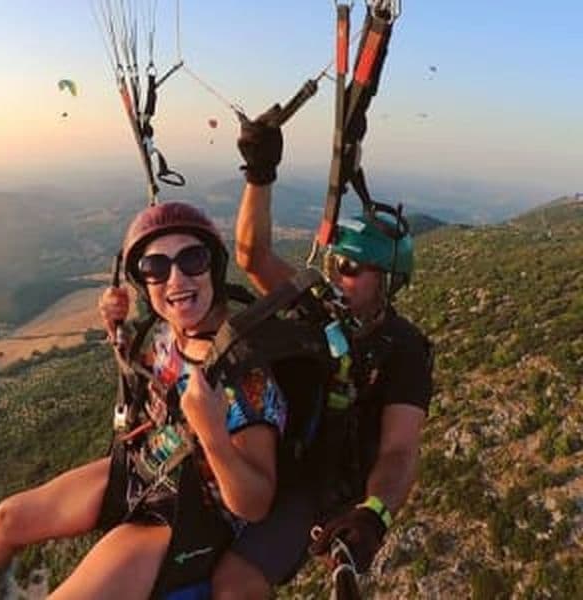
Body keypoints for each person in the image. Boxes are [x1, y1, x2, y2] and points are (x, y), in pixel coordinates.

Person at [0, 202, 285, 600]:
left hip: (191, 510)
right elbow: (147, 383)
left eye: (192, 259)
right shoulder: (171, 334)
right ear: (144, 284)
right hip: (145, 466)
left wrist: (213, 433)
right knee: (7, 519)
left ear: (213, 267)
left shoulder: (243, 374)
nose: (176, 278)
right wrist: (116, 330)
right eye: (155, 267)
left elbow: (255, 504)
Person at [206, 106, 433, 598]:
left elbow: (399, 449)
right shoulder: (319, 305)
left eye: (350, 267)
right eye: (334, 263)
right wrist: (260, 174)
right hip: (260, 452)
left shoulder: (404, 350)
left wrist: (374, 513)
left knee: (232, 583)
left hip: (313, 486)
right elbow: (252, 256)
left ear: (387, 283)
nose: (336, 275)